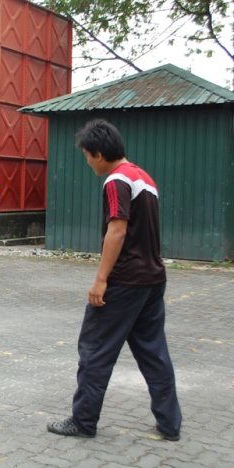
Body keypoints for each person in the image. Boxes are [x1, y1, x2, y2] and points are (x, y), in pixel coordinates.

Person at [47, 119, 182, 441]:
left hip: (125, 283)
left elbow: (117, 229)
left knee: (95, 350)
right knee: (154, 352)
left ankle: (83, 421)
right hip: (152, 279)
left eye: (87, 156)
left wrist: (101, 279)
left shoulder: (116, 180)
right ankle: (170, 423)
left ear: (97, 153)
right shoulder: (143, 177)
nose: (88, 161)